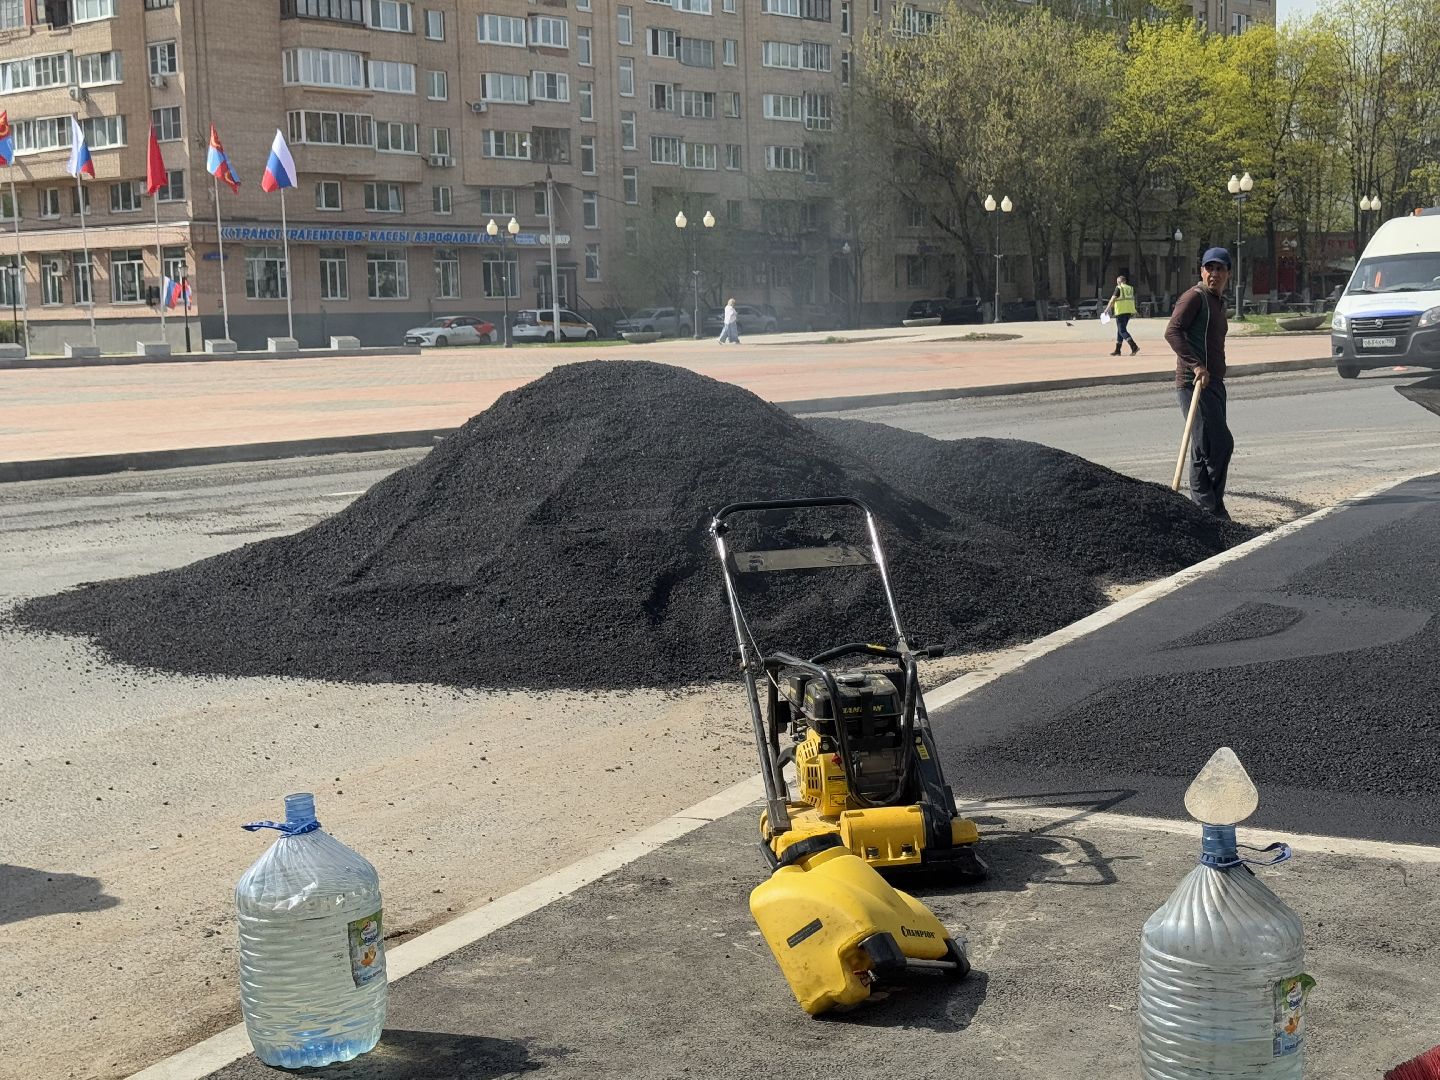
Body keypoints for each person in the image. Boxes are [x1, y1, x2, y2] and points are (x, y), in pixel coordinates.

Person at [1165, 247, 1234, 520]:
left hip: (1214, 383)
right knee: (1219, 444)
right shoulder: (1194, 297)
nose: (1214, 273)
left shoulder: (1218, 302)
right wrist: (1196, 365)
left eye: (1220, 268)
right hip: (1194, 383)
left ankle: (1205, 510)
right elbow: (1172, 331)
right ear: (1202, 271)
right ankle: (1210, 508)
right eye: (1210, 268)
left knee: (1202, 447)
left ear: (1228, 273)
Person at [1103, 270, 1139, 356]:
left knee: (1122, 330)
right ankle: (1118, 350)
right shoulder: (1130, 288)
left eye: (1117, 282)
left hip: (1120, 312)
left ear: (1119, 282)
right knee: (1120, 330)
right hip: (1129, 311)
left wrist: (1106, 309)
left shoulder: (1119, 288)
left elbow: (1112, 299)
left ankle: (1134, 346)